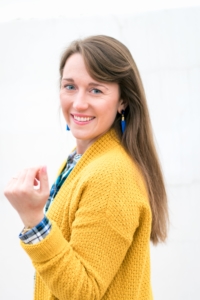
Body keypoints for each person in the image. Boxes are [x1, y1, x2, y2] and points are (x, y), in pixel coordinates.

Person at [4, 35, 168, 300]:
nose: (78, 103)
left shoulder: (111, 174)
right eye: (70, 87)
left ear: (122, 100)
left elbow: (83, 292)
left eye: (96, 90)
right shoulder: (81, 159)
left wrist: (34, 220)